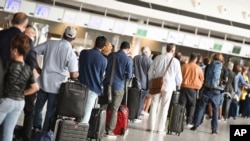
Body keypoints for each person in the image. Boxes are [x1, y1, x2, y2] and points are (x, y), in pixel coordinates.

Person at [33, 26, 79, 131]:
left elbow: (33, 51)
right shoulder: (71, 52)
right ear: (74, 39)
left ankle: (35, 128)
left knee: (38, 108)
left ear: (63, 34)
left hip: (43, 83)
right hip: (57, 87)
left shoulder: (50, 43)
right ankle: (44, 133)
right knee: (50, 111)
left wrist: (37, 68)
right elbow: (73, 75)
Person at [0, 34, 39, 141]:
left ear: (15, 50)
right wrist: (21, 93)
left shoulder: (7, 64)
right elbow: (35, 87)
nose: (10, 50)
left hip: (6, 100)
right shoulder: (28, 68)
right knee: (7, 133)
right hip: (19, 103)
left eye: (11, 48)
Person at [147, 43, 182, 134]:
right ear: (173, 50)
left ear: (166, 49)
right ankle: (160, 129)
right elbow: (179, 78)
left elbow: (150, 71)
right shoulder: (176, 61)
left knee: (154, 105)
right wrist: (178, 83)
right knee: (164, 107)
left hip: (156, 85)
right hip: (169, 87)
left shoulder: (158, 58)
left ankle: (151, 127)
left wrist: (152, 80)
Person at [191, 53, 226, 134]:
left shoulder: (208, 66)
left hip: (207, 89)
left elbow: (205, 77)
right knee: (215, 110)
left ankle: (195, 125)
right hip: (216, 91)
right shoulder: (223, 68)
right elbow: (225, 80)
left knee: (201, 107)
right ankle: (214, 129)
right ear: (221, 59)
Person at [104, 41, 133, 138]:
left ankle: (99, 127)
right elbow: (129, 76)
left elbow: (105, 67)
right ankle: (109, 131)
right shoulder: (128, 59)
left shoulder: (111, 55)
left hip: (107, 84)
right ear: (128, 49)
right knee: (114, 109)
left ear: (120, 47)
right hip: (118, 86)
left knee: (103, 107)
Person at [78, 36, 107, 123]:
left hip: (81, 86)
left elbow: (80, 65)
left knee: (77, 108)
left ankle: (73, 128)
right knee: (87, 111)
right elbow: (101, 75)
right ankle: (81, 131)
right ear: (104, 47)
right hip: (94, 88)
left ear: (94, 42)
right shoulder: (104, 60)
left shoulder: (84, 53)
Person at [0, 12, 29, 98]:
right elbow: (30, 62)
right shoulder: (26, 41)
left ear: (12, 21)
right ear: (25, 26)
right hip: (14, 82)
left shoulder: (1, 34)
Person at [179, 53, 204, 128]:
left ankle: (179, 119)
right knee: (192, 105)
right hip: (193, 89)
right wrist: (199, 86)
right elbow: (202, 79)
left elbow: (179, 76)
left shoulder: (183, 66)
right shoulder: (198, 68)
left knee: (182, 104)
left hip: (183, 87)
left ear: (190, 58)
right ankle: (189, 121)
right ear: (196, 59)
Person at [22, 25, 37, 141]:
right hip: (27, 80)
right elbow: (31, 63)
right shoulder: (29, 43)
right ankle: (26, 137)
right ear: (31, 33)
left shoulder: (16, 40)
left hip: (13, 78)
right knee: (29, 112)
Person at [133, 46, 153, 121]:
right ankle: (137, 116)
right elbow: (150, 74)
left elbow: (133, 69)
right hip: (144, 84)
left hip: (135, 82)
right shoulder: (149, 61)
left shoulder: (136, 58)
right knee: (141, 101)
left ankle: (131, 115)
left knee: (134, 99)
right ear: (147, 52)